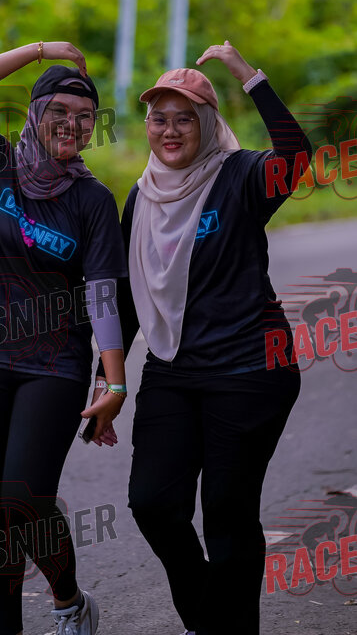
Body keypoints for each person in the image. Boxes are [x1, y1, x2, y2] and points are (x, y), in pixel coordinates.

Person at [106, 42, 312, 635]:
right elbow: (128, 295)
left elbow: (297, 156)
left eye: (185, 118)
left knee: (227, 512)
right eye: (159, 118)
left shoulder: (241, 175)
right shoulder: (141, 196)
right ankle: (210, 617)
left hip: (249, 370)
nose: (170, 131)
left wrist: (248, 75)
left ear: (207, 122)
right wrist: (108, 381)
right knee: (152, 503)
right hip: (173, 369)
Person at [0, 41, 128, 635]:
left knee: (25, 500)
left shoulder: (93, 200)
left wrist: (115, 382)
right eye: (59, 113)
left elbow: (102, 293)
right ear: (35, 114)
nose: (72, 125)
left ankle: (69, 603)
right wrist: (40, 51)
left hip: (53, 366)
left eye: (85, 117)